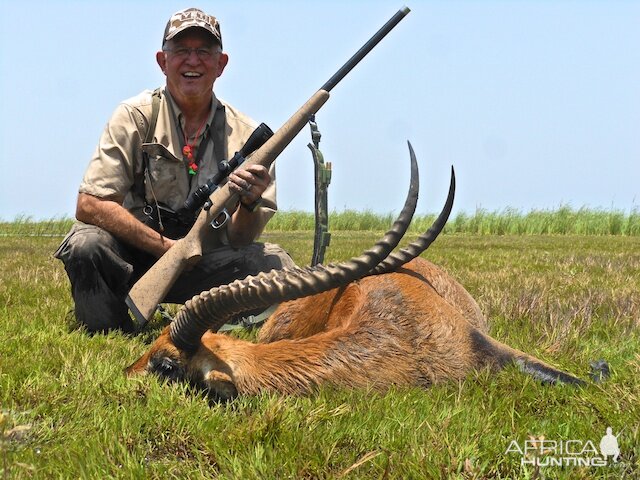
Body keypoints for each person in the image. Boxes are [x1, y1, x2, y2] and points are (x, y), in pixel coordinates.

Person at [55, 8, 295, 333]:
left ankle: (223, 326)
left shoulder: (248, 136)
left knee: (277, 265)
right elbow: (90, 203)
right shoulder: (134, 116)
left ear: (221, 64)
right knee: (86, 246)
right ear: (162, 61)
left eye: (203, 52)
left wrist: (249, 203)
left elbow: (242, 238)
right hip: (135, 255)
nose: (192, 61)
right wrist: (166, 248)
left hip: (204, 261)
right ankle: (109, 330)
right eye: (181, 50)